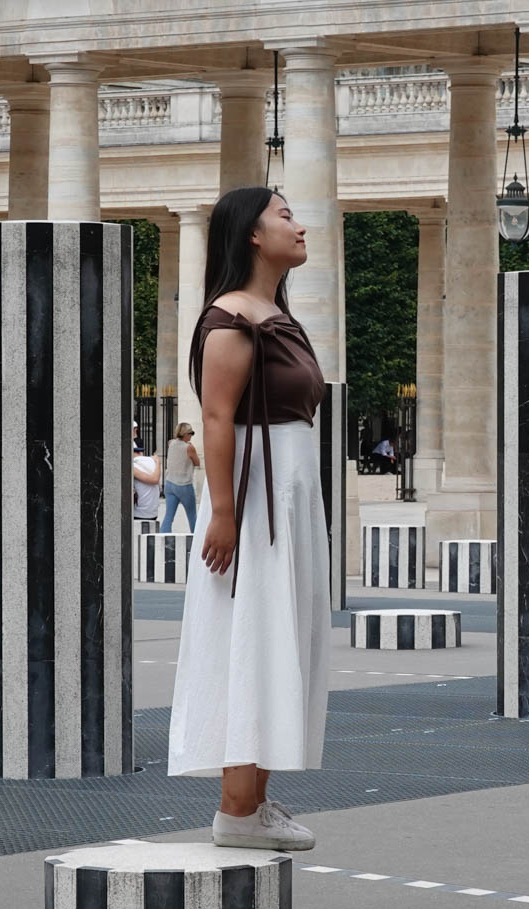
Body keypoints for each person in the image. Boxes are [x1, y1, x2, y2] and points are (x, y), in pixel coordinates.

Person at [168, 186, 329, 852]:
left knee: (274, 636)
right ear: (252, 235)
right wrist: (224, 513)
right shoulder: (232, 318)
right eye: (285, 214)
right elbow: (215, 417)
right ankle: (237, 809)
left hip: (282, 495)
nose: (299, 225)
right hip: (257, 500)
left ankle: (250, 803)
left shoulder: (272, 314)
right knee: (254, 635)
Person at [162, 422, 200, 532]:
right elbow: (197, 463)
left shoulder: (171, 443)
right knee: (192, 516)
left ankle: (162, 539)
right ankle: (195, 539)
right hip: (184, 485)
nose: (191, 435)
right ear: (185, 434)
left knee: (168, 516)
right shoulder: (189, 447)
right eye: (191, 433)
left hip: (169, 484)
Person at [132, 441, 161, 523]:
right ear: (140, 452)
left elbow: (154, 480)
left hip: (139, 513)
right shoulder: (153, 461)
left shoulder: (132, 466)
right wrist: (158, 463)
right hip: (153, 512)